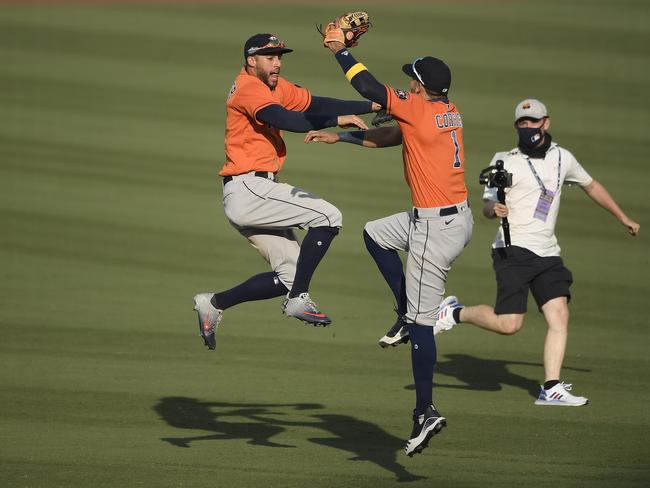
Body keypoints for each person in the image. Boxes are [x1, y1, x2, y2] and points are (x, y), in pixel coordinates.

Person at [305, 41, 473, 455]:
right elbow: (395, 136)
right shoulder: (446, 112)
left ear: (420, 86)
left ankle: (424, 410)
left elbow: (367, 87)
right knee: (376, 233)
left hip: (436, 227)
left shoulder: (418, 107)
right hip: (445, 217)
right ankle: (404, 311)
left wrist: (340, 50)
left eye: (411, 81)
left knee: (422, 324)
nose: (407, 87)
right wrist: (341, 137)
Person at [435, 98, 640, 406]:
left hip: (548, 252)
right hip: (512, 249)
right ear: (517, 126)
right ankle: (453, 312)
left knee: (559, 315)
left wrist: (622, 217)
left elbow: (591, 185)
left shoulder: (563, 158)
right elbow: (488, 205)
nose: (528, 127)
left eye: (533, 121)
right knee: (510, 325)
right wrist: (495, 209)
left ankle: (551, 387)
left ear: (546, 122)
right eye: (522, 122)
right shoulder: (505, 160)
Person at [193, 33, 381, 351]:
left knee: (291, 275)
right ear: (251, 60)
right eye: (270, 56)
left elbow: (314, 103)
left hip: (252, 193)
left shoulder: (273, 85)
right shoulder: (249, 89)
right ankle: (298, 299)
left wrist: (370, 105)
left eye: (280, 55)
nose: (277, 62)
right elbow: (286, 119)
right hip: (250, 189)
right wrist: (335, 121)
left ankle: (214, 302)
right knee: (328, 216)